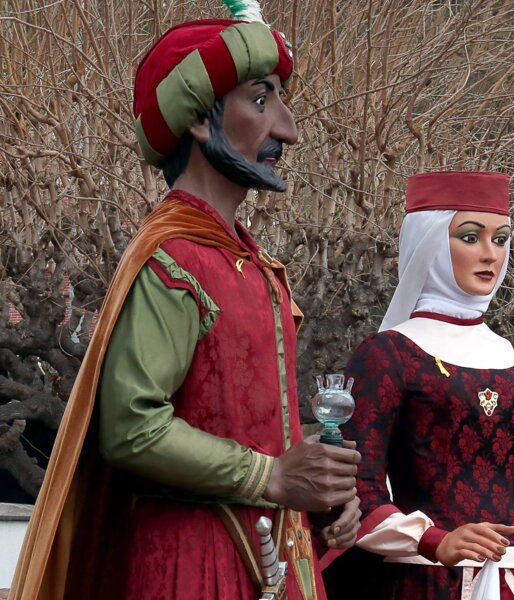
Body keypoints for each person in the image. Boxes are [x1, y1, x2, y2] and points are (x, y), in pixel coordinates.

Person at [8, 3, 362, 599]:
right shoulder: (175, 258)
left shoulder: (248, 264)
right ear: (201, 121)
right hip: (191, 571)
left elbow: (252, 423)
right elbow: (132, 427)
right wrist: (271, 476)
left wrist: (318, 499)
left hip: (272, 559)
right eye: (260, 99)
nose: (288, 128)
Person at [333, 171, 514, 599]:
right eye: (471, 237)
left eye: (501, 239)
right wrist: (435, 539)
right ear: (430, 243)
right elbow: (354, 483)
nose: (490, 255)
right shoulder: (388, 355)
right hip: (422, 580)